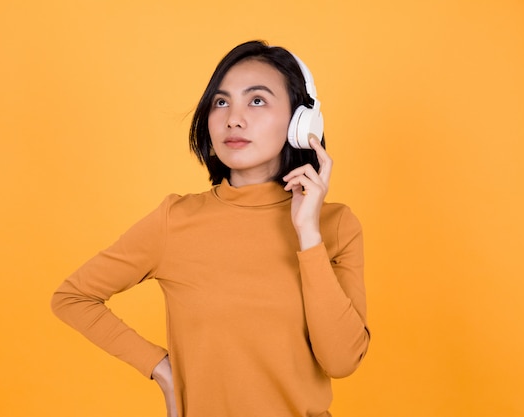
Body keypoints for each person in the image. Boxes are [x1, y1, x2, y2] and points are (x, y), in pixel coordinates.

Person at [51, 40, 370, 417]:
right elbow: (72, 298)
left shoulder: (335, 226)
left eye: (256, 101)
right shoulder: (175, 220)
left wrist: (308, 234)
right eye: (221, 102)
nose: (233, 118)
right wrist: (162, 370)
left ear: (302, 123)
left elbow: (342, 361)